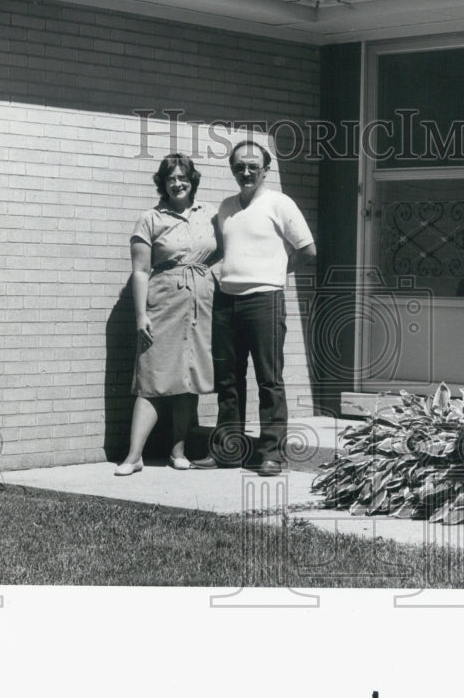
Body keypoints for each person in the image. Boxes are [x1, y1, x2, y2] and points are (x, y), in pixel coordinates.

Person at [191, 140, 316, 476]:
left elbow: (307, 250)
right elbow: (224, 249)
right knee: (228, 380)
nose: (245, 172)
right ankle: (228, 452)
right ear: (232, 169)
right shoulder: (227, 206)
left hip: (265, 301)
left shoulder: (280, 203)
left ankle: (272, 454)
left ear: (266, 170)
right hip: (226, 301)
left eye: (252, 166)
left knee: (268, 381)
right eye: (239, 167)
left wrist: (275, 273)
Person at [114, 154, 219, 476]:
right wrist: (140, 315)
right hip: (162, 305)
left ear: (192, 181)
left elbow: (226, 253)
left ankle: (178, 450)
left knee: (187, 378)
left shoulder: (212, 215)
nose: (178, 183)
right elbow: (141, 271)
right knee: (151, 378)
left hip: (200, 307)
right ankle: (134, 456)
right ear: (163, 183)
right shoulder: (150, 218)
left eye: (183, 177)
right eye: (171, 178)